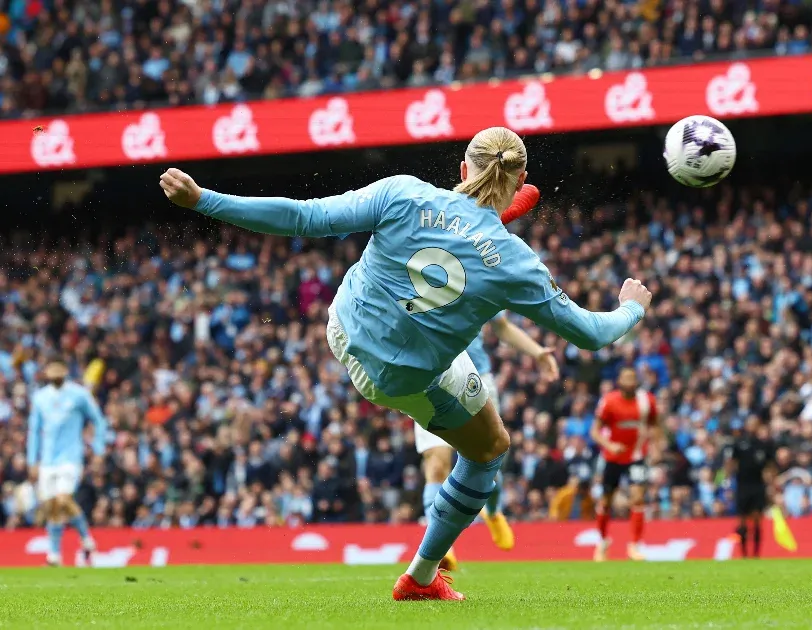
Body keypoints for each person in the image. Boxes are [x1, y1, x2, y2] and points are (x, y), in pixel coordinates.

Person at [159, 126, 653, 601]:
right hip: (401, 377)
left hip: (343, 330)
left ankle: (432, 558)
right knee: (490, 448)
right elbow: (590, 334)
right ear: (519, 183)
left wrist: (204, 199)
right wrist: (632, 306)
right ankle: (422, 575)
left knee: (448, 395)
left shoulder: (403, 192)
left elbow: (304, 218)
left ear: (463, 167)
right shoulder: (517, 263)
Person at [415, 313, 559, 571]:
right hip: (429, 378)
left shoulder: (475, 275)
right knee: (436, 463)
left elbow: (501, 326)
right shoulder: (409, 278)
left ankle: (493, 511)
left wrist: (537, 352)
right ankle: (442, 547)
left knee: (486, 460)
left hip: (475, 378)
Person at [27, 361, 108, 566]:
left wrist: (98, 448)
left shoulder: (79, 395)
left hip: (70, 457)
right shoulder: (40, 397)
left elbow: (98, 420)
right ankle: (55, 554)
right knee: (52, 506)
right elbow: (34, 430)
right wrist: (32, 460)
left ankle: (86, 537)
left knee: (63, 500)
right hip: (47, 459)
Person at [590, 366, 657, 561]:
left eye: (632, 378)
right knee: (606, 501)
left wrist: (655, 445)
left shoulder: (647, 401)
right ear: (619, 381)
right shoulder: (609, 402)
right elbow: (595, 432)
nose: (629, 382)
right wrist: (610, 445)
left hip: (636, 456)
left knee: (638, 498)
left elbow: (654, 424)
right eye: (625, 379)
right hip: (612, 458)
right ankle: (602, 542)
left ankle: (635, 546)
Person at [724, 416, 775, 558]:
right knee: (742, 521)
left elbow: (770, 466)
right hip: (743, 486)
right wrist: (727, 484)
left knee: (758, 520)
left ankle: (756, 554)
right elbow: (731, 464)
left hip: (758, 486)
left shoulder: (763, 445)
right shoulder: (739, 444)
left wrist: (771, 484)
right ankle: (744, 553)